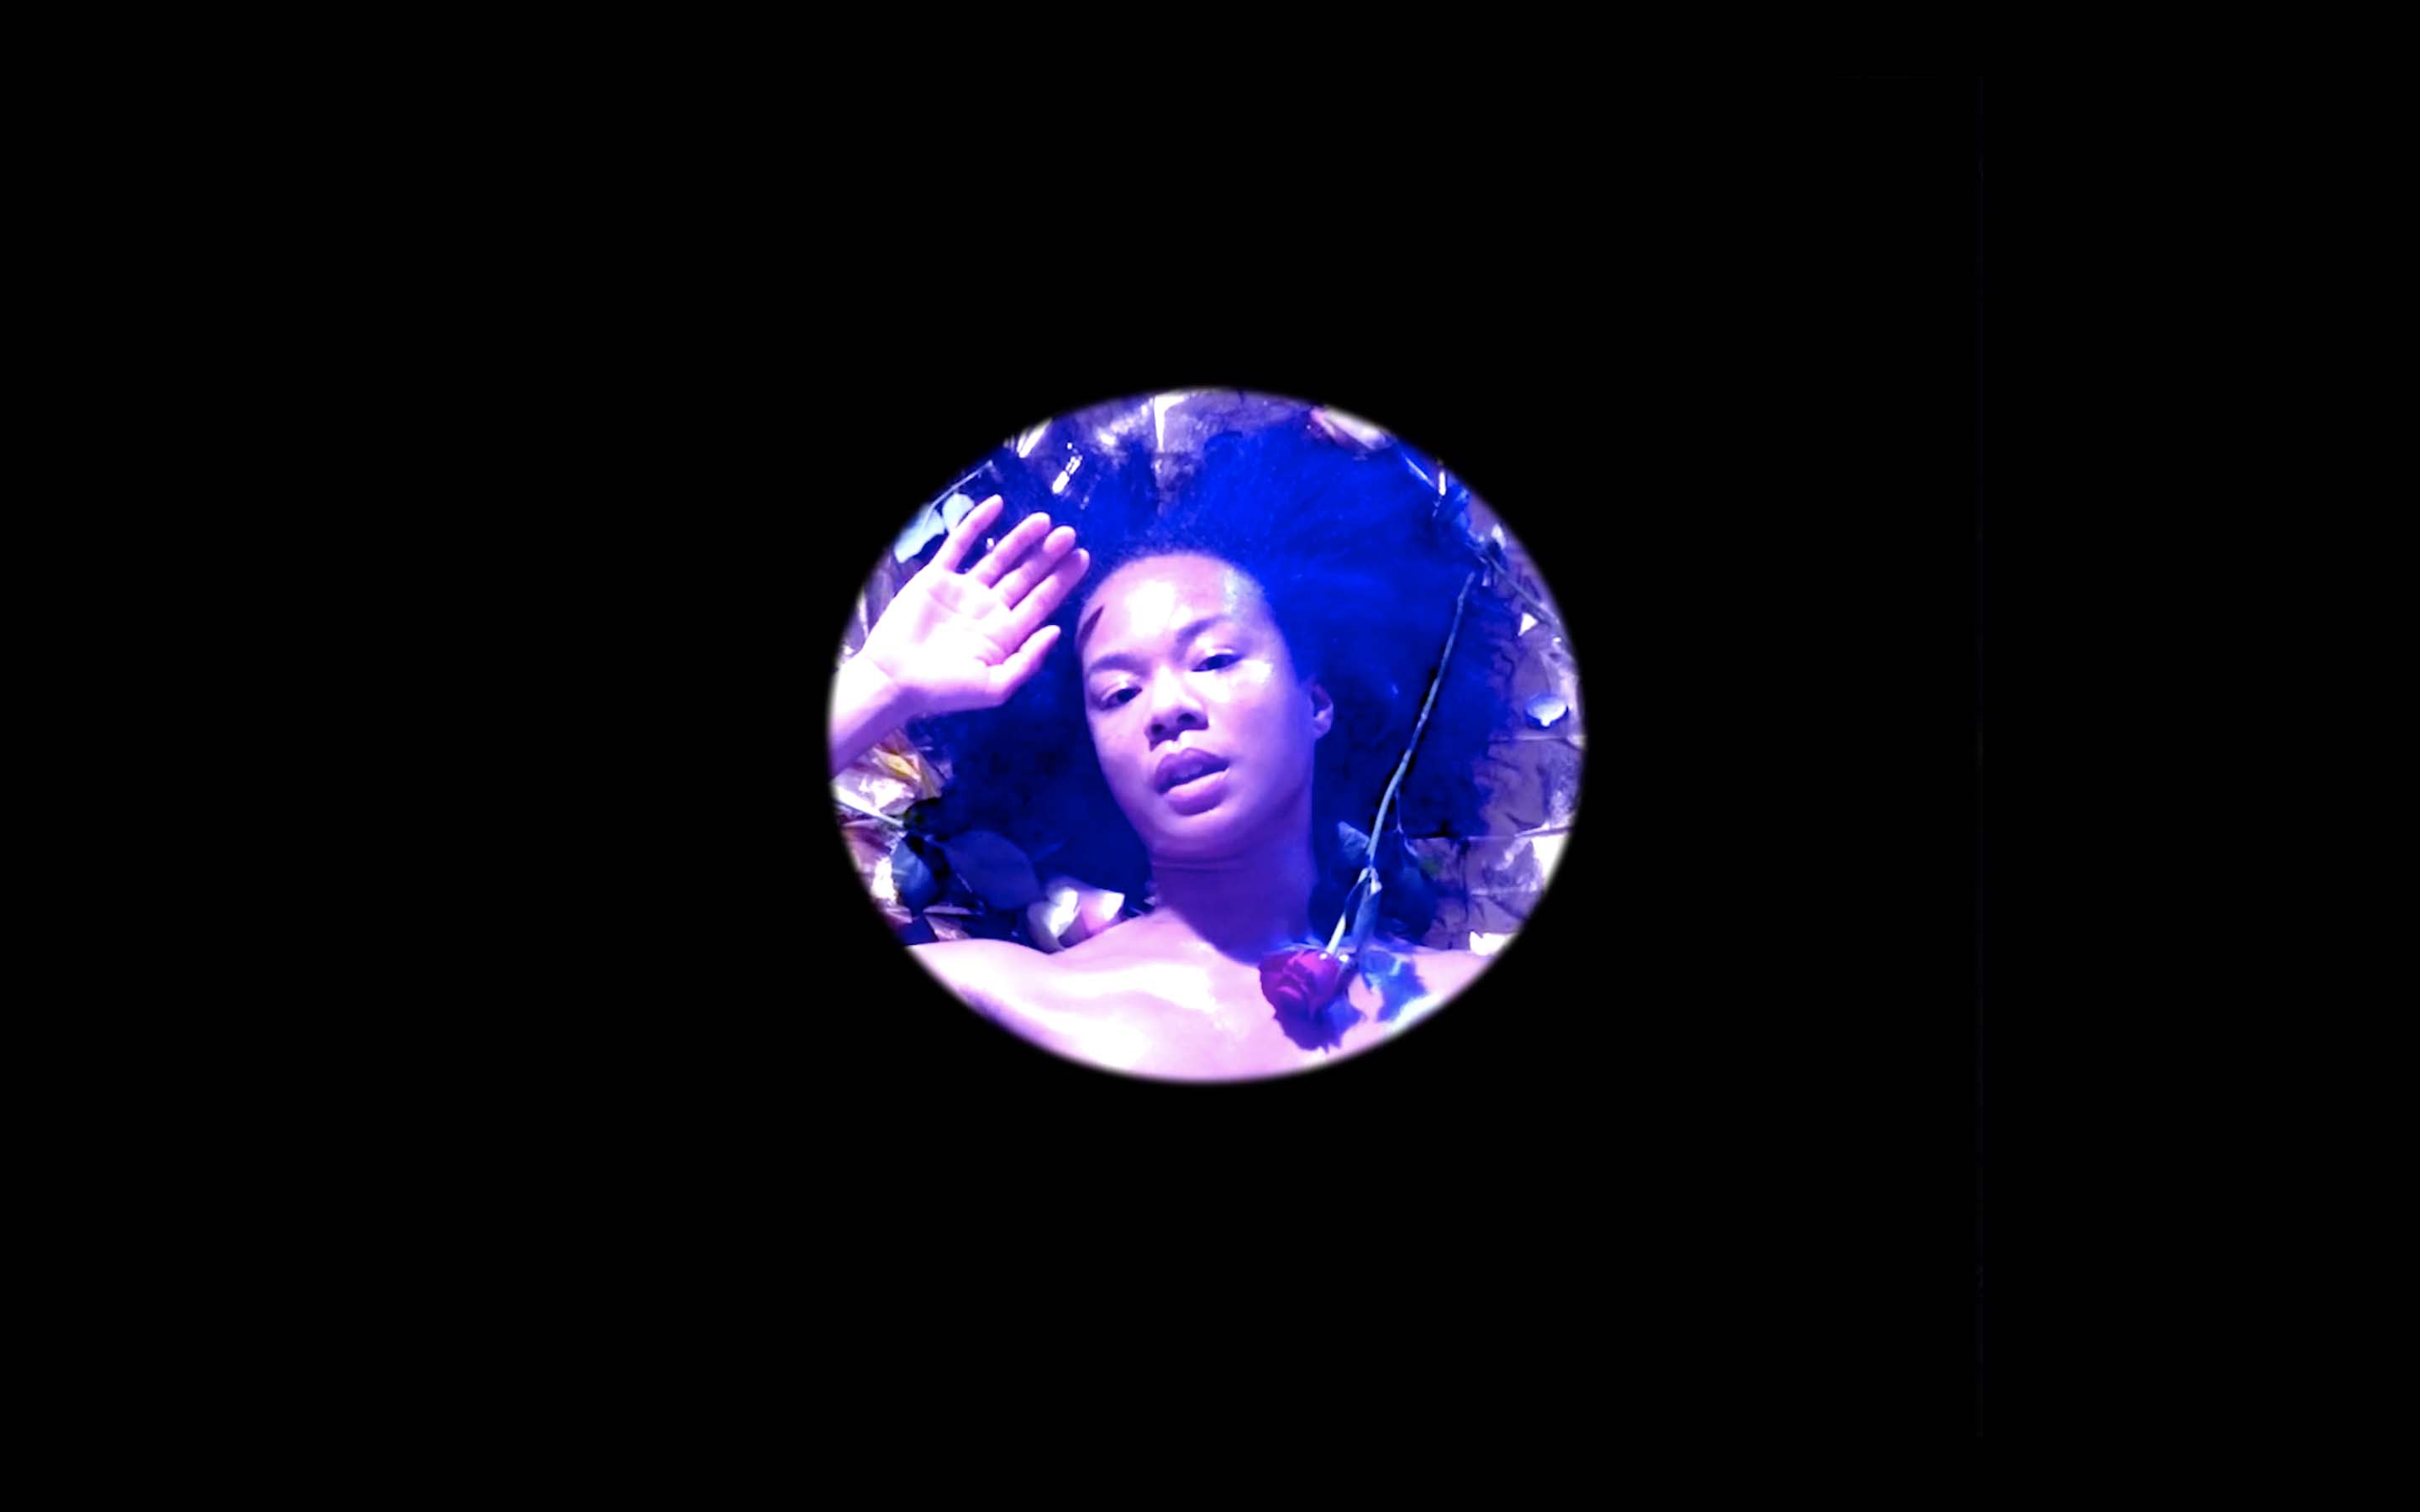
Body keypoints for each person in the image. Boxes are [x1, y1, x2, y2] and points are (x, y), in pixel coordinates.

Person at [829, 415, 1529, 1080]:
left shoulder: (1451, 990)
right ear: (1092, 752)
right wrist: (878, 688)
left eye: (1214, 660)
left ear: (1317, 702)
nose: (1166, 708)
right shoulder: (997, 995)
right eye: (1118, 694)